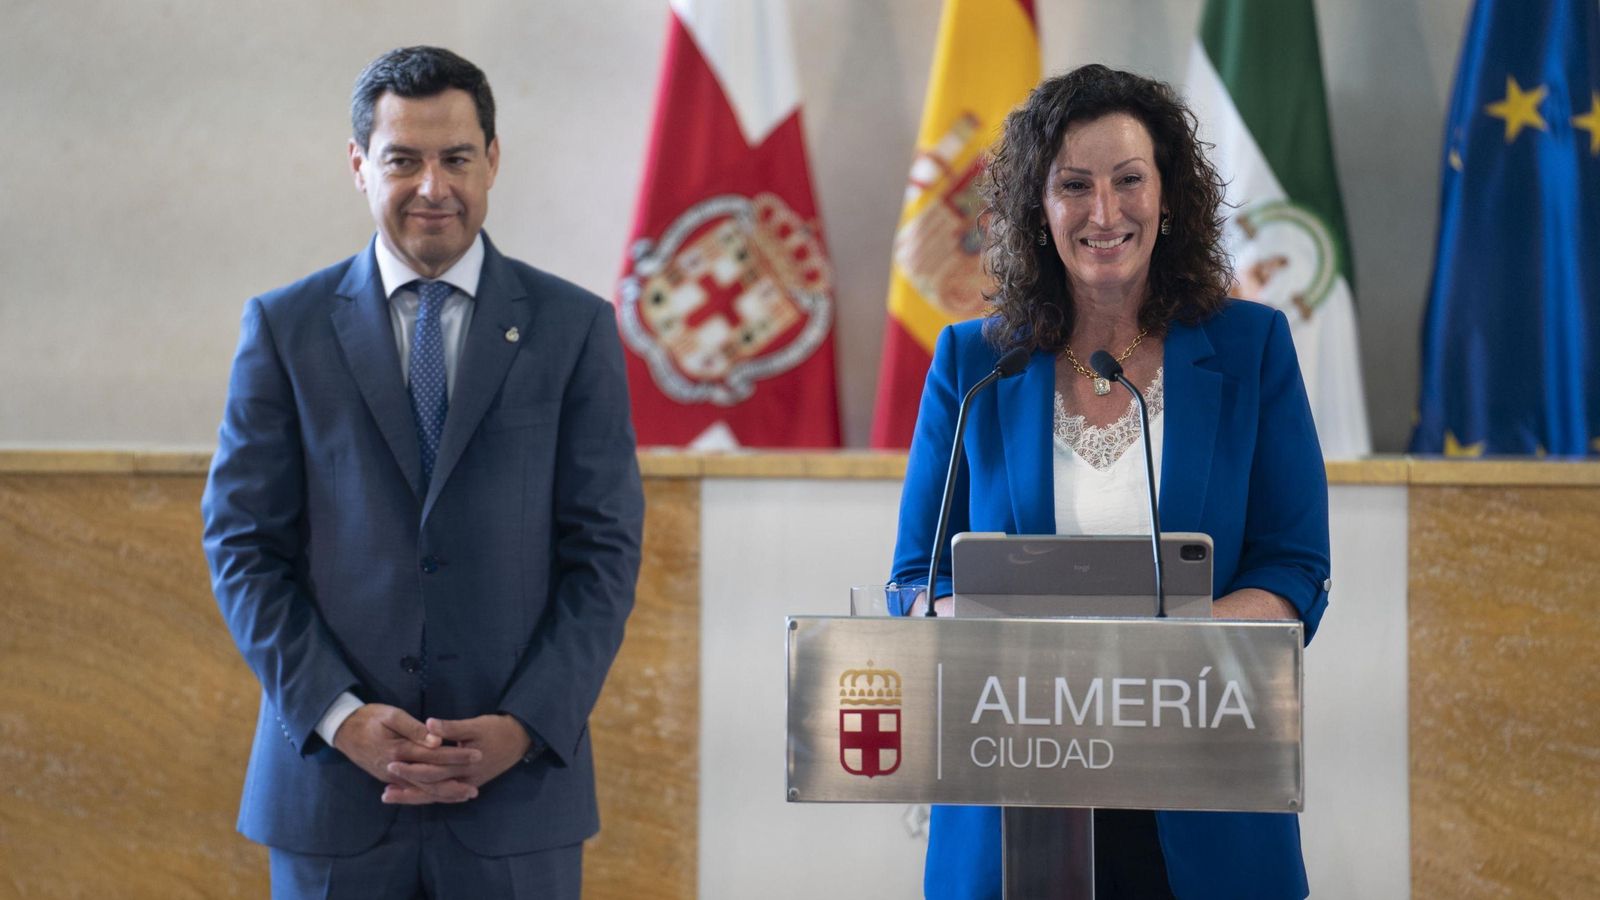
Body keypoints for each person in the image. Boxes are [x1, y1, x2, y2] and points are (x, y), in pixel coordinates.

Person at [201, 46, 644, 899]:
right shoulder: (284, 330)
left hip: (517, 799)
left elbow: (606, 553)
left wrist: (524, 724)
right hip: (331, 794)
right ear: (360, 165)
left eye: (456, 158)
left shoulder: (575, 329)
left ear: (494, 161)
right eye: (403, 159)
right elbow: (242, 547)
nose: (432, 186)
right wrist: (340, 716)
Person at [890, 64, 1331, 899]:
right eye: (1074, 186)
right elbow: (916, 577)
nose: (1105, 212)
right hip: (1015, 800)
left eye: (1130, 180)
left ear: (1168, 199)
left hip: (1208, 801)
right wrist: (984, 632)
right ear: (1038, 207)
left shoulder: (1252, 348)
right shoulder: (974, 363)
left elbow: (1294, 568)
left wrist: (1132, 662)